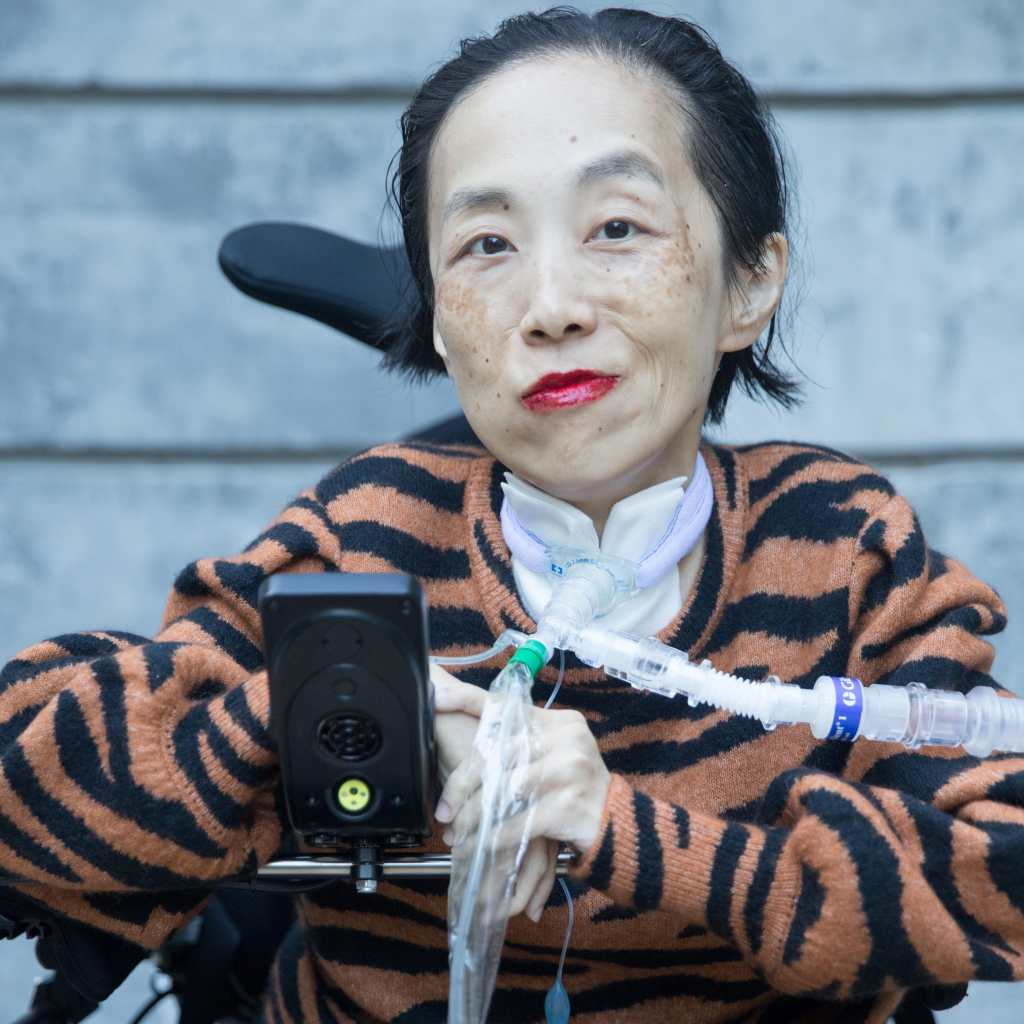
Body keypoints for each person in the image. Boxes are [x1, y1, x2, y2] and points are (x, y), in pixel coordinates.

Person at [1, 7, 1021, 1022]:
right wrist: (353, 701)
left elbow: (999, 879)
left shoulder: (842, 548)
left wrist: (615, 825)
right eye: (487, 243)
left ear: (748, 282)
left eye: (616, 228)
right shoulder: (363, 534)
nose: (550, 304)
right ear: (441, 321)